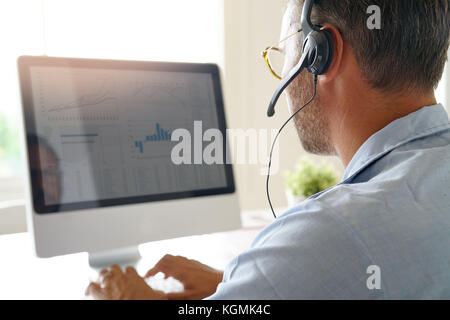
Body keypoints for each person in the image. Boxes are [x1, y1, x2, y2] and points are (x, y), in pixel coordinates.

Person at [86, 0, 450, 299]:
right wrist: (249, 283)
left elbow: (337, 255)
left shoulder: (330, 234)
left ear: (321, 53)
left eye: (285, 51)